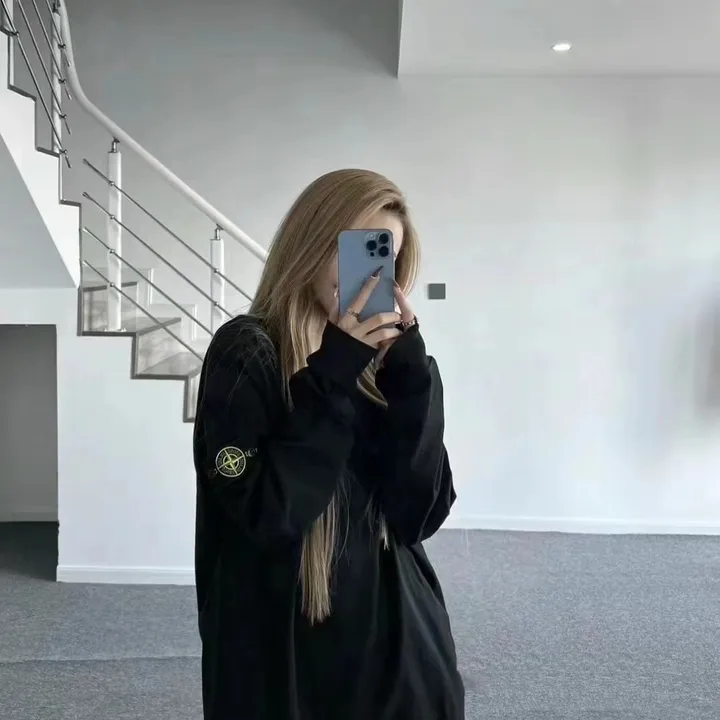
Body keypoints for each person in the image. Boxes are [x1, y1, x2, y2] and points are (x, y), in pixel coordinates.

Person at [193, 168, 465, 719]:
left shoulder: (380, 366)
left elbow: (418, 515)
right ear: (312, 242)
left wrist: (411, 378)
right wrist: (333, 372)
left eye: (383, 255)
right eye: (356, 247)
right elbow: (266, 514)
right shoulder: (247, 352)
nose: (368, 271)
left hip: (401, 654)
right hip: (294, 666)